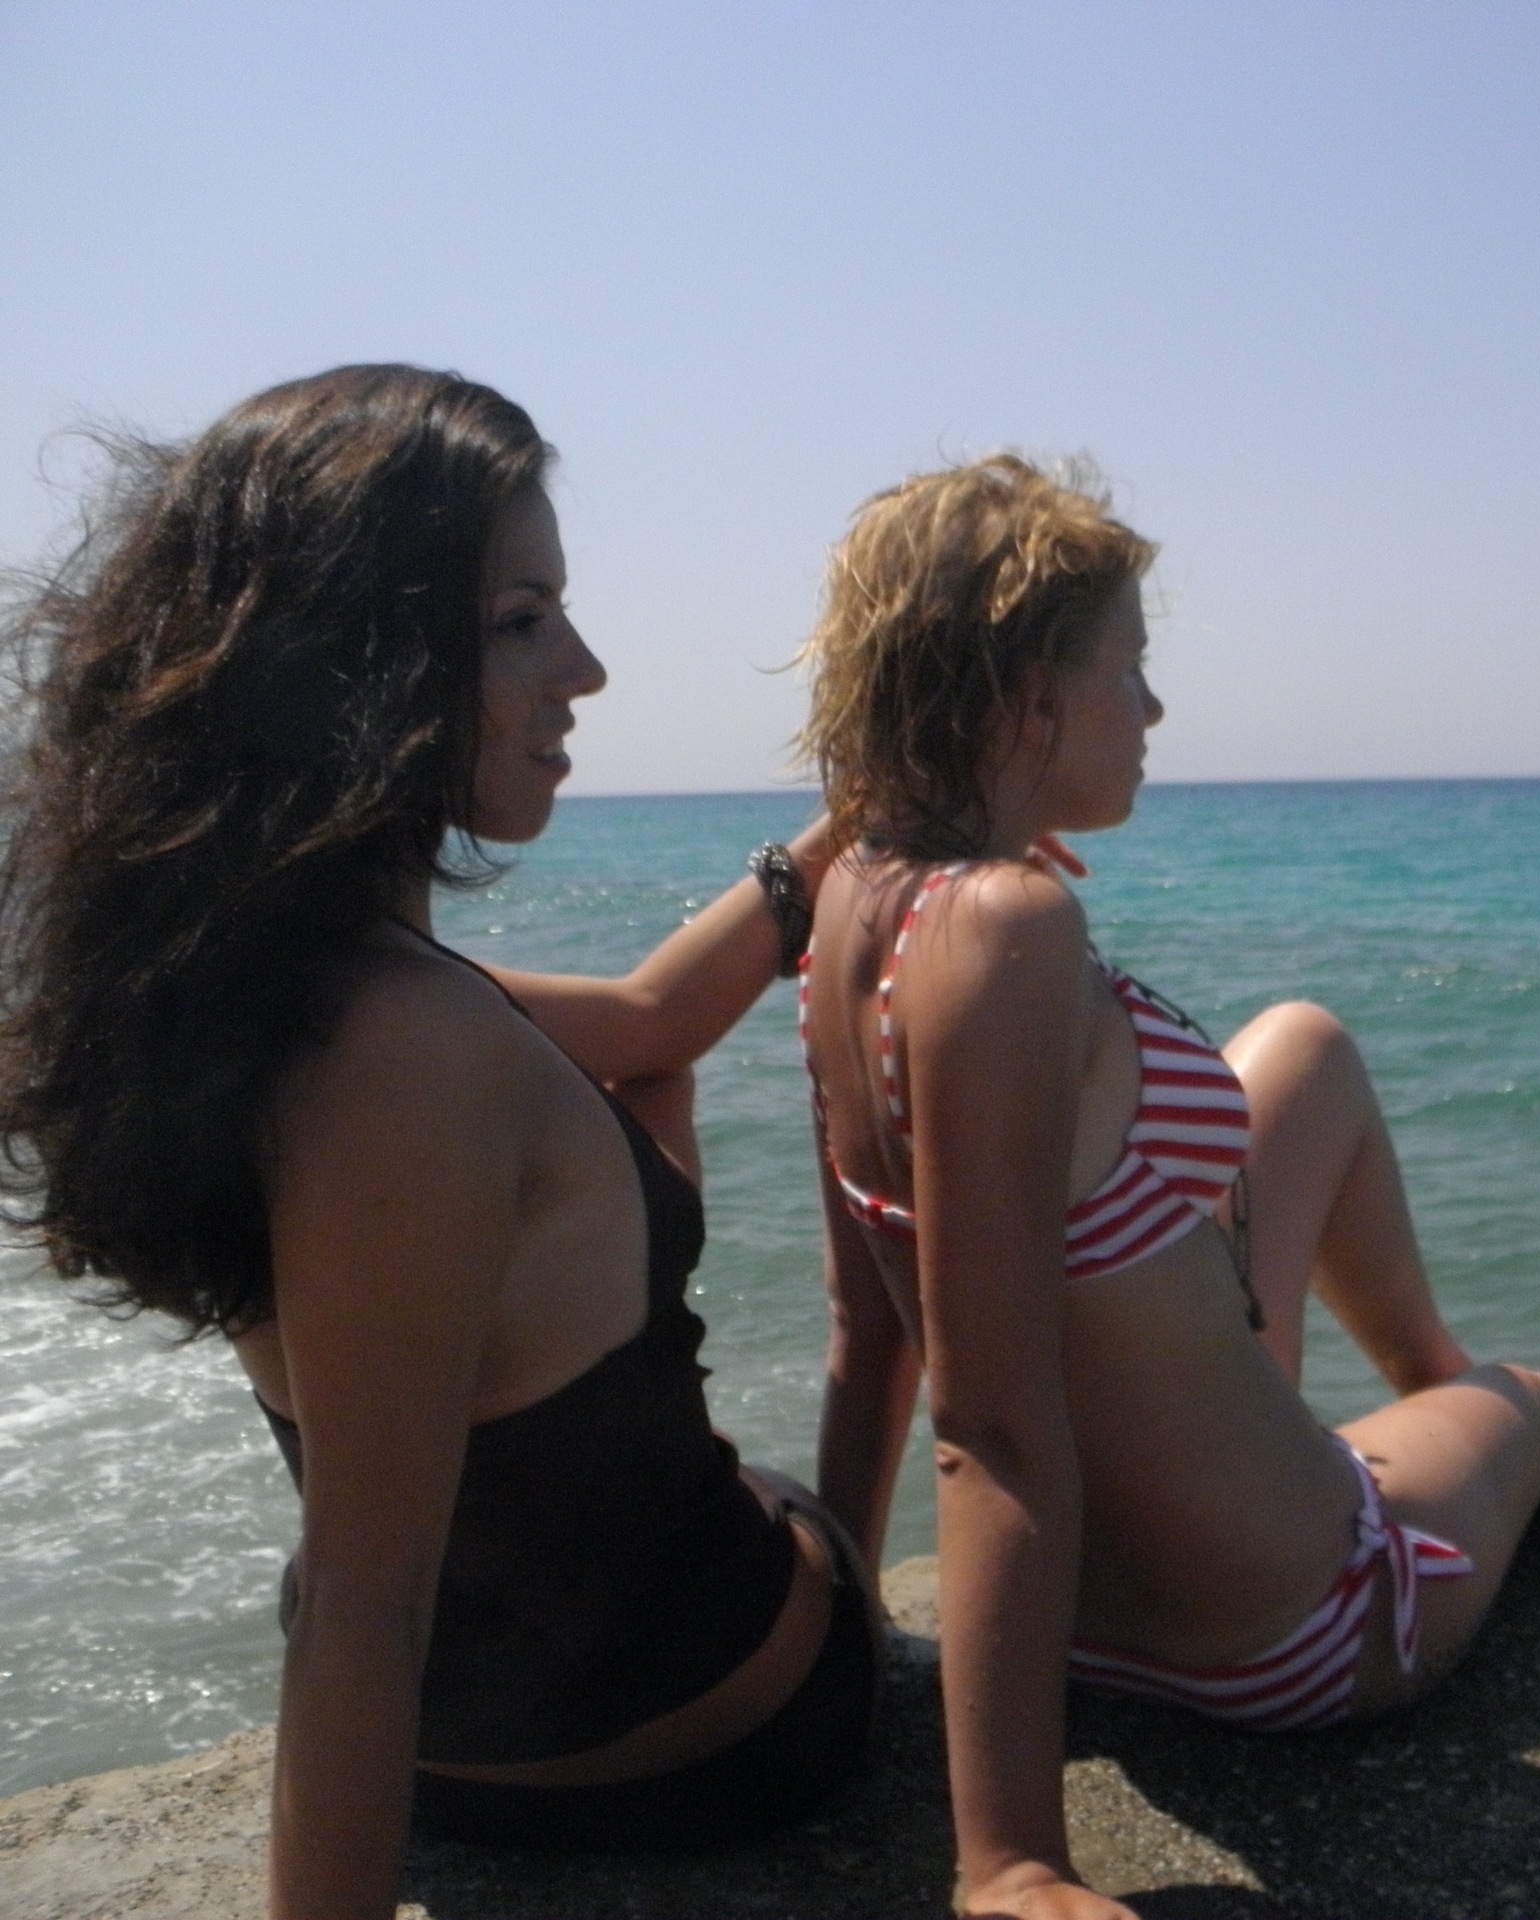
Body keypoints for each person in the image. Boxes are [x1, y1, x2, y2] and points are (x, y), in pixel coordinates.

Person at [0, 365, 888, 1920]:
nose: (586, 669)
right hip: (688, 1748)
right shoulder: (410, 1051)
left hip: (464, 1751)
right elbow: (362, 1603)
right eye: (522, 620)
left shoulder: (268, 980)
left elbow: (650, 1021)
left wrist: (838, 828)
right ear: (360, 657)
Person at [795, 454, 1540, 1920]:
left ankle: (1428, 1388)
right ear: (1031, 702)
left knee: (1304, 1049)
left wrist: (848, 1631)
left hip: (1098, 1602)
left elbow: (874, 1329)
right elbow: (988, 1423)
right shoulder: (1012, 929)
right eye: (1128, 670)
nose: (1154, 711)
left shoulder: (856, 906)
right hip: (1304, 1618)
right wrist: (1009, 1859)